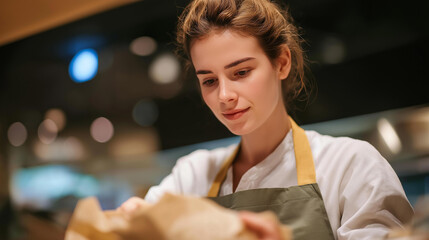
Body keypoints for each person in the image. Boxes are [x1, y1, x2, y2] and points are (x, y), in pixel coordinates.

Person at [119, 0, 414, 239]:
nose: (224, 95)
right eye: (209, 80)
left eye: (241, 72)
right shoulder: (191, 175)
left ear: (281, 62)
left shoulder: (350, 164)